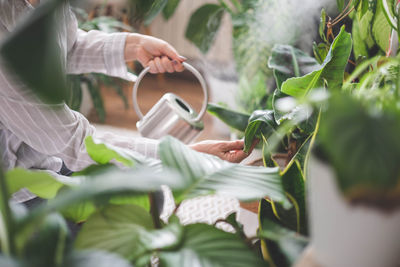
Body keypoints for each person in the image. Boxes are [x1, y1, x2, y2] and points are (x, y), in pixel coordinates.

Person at [0, 0, 254, 202]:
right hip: (16, 190)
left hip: (48, 156)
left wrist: (134, 45)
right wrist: (183, 156)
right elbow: (75, 144)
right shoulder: (7, 45)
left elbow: (68, 45)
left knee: (146, 193)